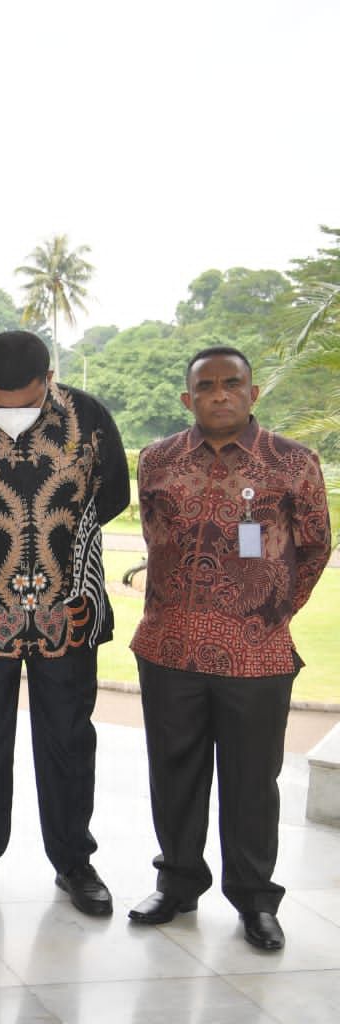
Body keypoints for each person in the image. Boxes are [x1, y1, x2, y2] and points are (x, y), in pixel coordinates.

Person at [128, 346, 331, 951]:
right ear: (188, 399)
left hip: (257, 655)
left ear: (253, 392)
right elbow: (155, 539)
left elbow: (315, 547)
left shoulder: (293, 463)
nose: (220, 395)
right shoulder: (158, 461)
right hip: (168, 648)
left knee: (251, 782)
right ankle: (178, 883)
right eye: (206, 387)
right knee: (174, 776)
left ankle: (255, 901)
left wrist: (269, 613)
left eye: (232, 384)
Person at [0, 330, 129, 915]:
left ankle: (74, 861)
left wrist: (65, 561)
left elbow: (113, 495)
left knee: (70, 737)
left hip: (68, 610)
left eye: (20, 399)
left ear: (48, 380)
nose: (7, 409)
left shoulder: (89, 417)